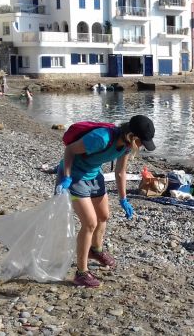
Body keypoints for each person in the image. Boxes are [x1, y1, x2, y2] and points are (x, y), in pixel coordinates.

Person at [55, 115, 156, 288]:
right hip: (75, 177)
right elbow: (70, 150)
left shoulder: (125, 146)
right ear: (132, 136)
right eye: (141, 142)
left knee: (103, 216)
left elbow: (120, 172)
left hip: (94, 175)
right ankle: (81, 273)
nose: (141, 147)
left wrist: (124, 199)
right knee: (90, 224)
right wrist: (67, 177)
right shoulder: (102, 138)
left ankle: (95, 250)